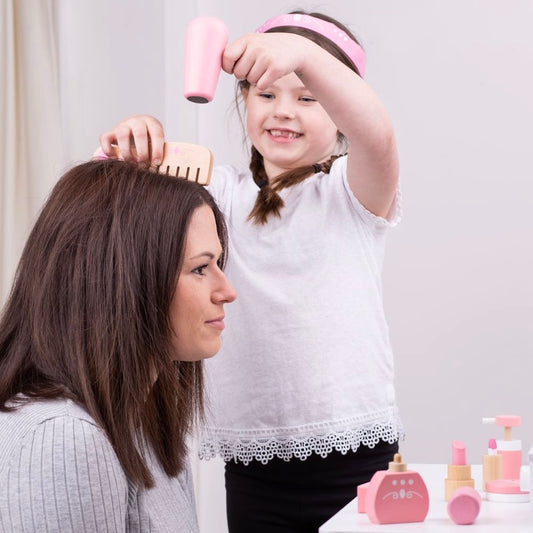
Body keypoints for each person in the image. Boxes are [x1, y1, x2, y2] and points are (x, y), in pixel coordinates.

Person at [99, 10, 403, 532]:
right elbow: (114, 201)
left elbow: (377, 136)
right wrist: (126, 146)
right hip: (255, 464)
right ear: (243, 100)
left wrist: (301, 55)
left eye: (308, 97)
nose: (284, 111)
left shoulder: (351, 197)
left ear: (338, 112)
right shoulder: (219, 193)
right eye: (266, 94)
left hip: (355, 457)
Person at [0, 159, 237, 532]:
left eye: (218, 263)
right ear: (125, 280)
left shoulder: (141, 417)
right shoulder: (64, 440)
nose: (227, 291)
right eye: (199, 268)